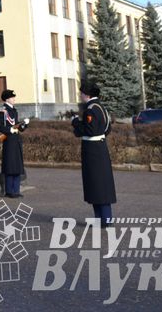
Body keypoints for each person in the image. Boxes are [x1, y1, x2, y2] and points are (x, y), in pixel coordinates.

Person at [72, 81, 116, 227]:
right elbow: (107, 129)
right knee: (101, 185)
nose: (81, 95)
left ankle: (102, 220)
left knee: (96, 185)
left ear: (87, 95)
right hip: (101, 147)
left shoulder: (90, 109)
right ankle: (105, 219)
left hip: (92, 150)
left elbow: (89, 130)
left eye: (82, 93)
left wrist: (75, 123)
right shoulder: (101, 107)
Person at [0, 89, 25, 198]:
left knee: (17, 165)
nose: (14, 99)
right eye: (12, 98)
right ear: (7, 99)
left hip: (16, 140)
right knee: (10, 166)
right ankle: (9, 191)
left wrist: (23, 126)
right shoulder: (3, 111)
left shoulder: (14, 110)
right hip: (9, 140)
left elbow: (15, 124)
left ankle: (16, 190)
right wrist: (9, 130)